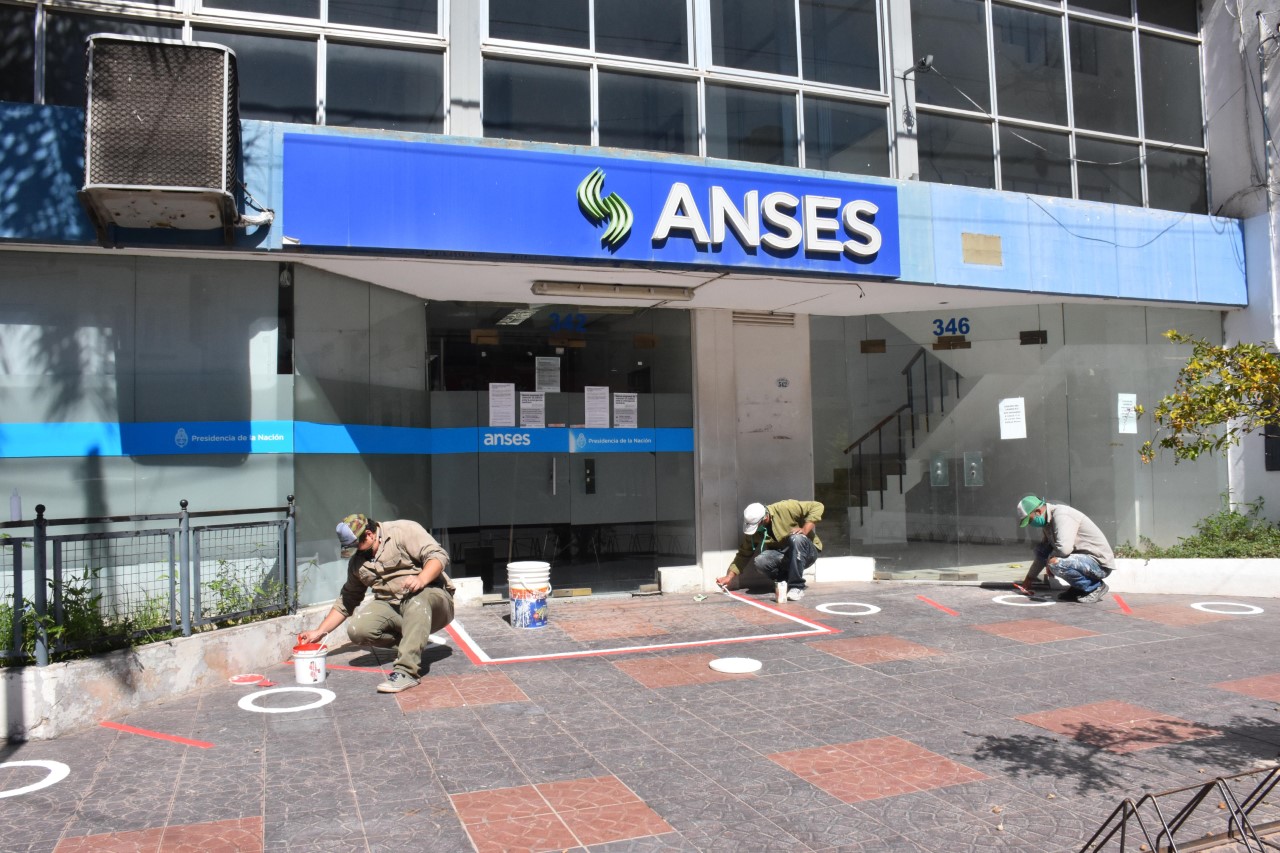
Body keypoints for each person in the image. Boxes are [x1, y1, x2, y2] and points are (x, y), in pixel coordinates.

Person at [298, 513, 455, 693]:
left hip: (434, 600)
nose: (355, 551)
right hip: (393, 605)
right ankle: (412, 641)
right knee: (358, 630)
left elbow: (438, 556)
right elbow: (347, 599)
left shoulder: (402, 531)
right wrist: (319, 632)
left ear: (370, 534)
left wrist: (421, 579)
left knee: (417, 600)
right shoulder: (357, 562)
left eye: (356, 545)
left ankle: (407, 671)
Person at [716, 500, 823, 601]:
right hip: (784, 556)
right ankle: (783, 581)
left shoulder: (786, 508)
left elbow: (818, 506)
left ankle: (796, 587)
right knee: (761, 561)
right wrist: (729, 577)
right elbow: (744, 553)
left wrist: (805, 529)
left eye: (757, 526)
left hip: (807, 553)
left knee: (796, 538)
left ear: (765, 518)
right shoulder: (754, 532)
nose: (756, 529)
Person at [1015, 496, 1115, 603]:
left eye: (1030, 520)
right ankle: (1079, 588)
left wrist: (1049, 562)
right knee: (1043, 550)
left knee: (1056, 563)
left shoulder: (1061, 515)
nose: (1031, 524)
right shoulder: (1047, 523)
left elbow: (1064, 549)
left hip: (1099, 564)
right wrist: (1029, 579)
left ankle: (1095, 587)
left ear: (1038, 512)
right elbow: (1043, 553)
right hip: (1083, 561)